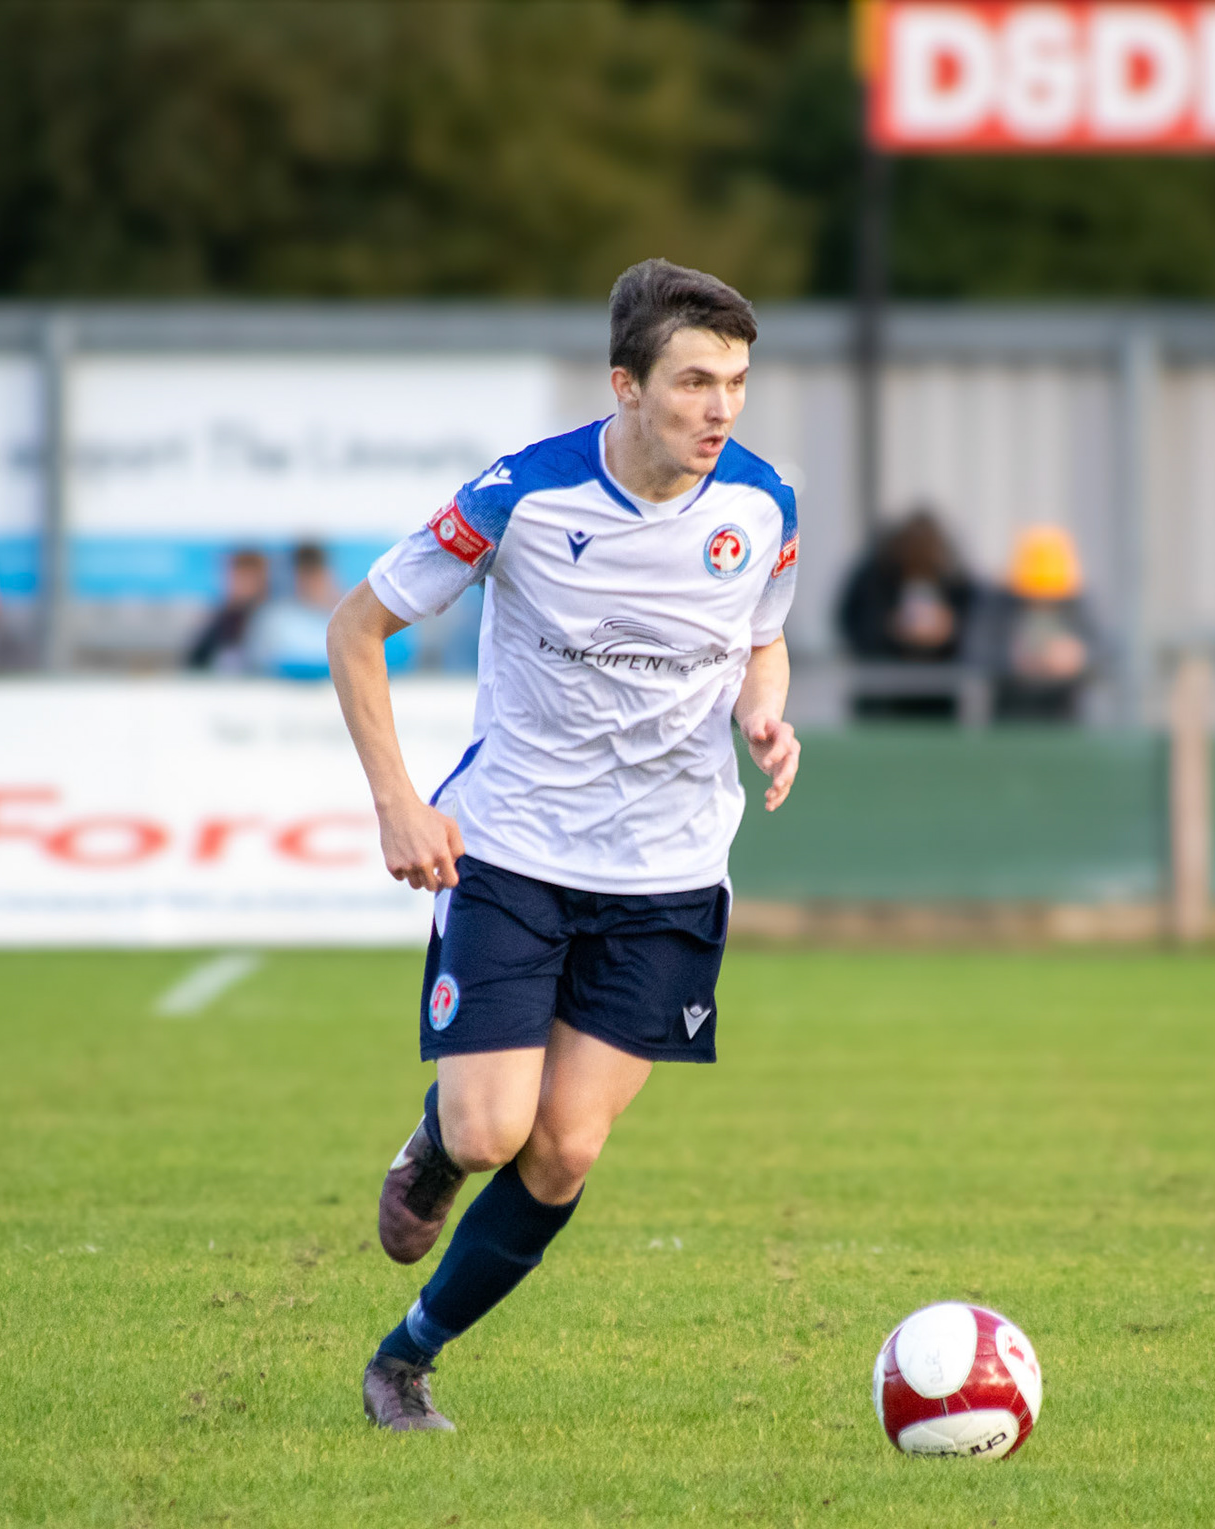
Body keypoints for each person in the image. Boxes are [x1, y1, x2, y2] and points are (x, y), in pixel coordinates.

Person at [326, 258, 800, 1434]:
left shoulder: (763, 504)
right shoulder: (522, 495)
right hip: (514, 853)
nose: (721, 408)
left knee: (564, 1149)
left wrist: (765, 712)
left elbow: (764, 637)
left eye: (737, 382)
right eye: (694, 381)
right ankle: (439, 1142)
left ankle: (404, 1361)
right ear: (625, 386)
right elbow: (356, 626)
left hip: (669, 876)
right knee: (491, 1128)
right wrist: (397, 802)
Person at [837, 507, 978, 719]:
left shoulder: (954, 581)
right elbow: (853, 622)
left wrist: (950, 631)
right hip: (882, 694)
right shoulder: (875, 579)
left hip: (937, 693)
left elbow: (974, 628)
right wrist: (890, 630)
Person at [976, 524, 1097, 723]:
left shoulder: (1076, 606)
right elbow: (977, 652)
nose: (1042, 602)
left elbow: (1105, 651)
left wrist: (1080, 657)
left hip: (1064, 718)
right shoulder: (999, 606)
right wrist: (1013, 660)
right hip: (1010, 718)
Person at [249, 543, 340, 679]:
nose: (310, 582)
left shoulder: (345, 615)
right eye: (305, 574)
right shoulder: (274, 617)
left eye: (314, 573)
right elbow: (256, 664)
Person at [185, 548, 270, 673]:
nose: (241, 585)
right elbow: (194, 660)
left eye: (248, 578)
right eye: (237, 578)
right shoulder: (220, 618)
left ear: (261, 581)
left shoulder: (270, 618)